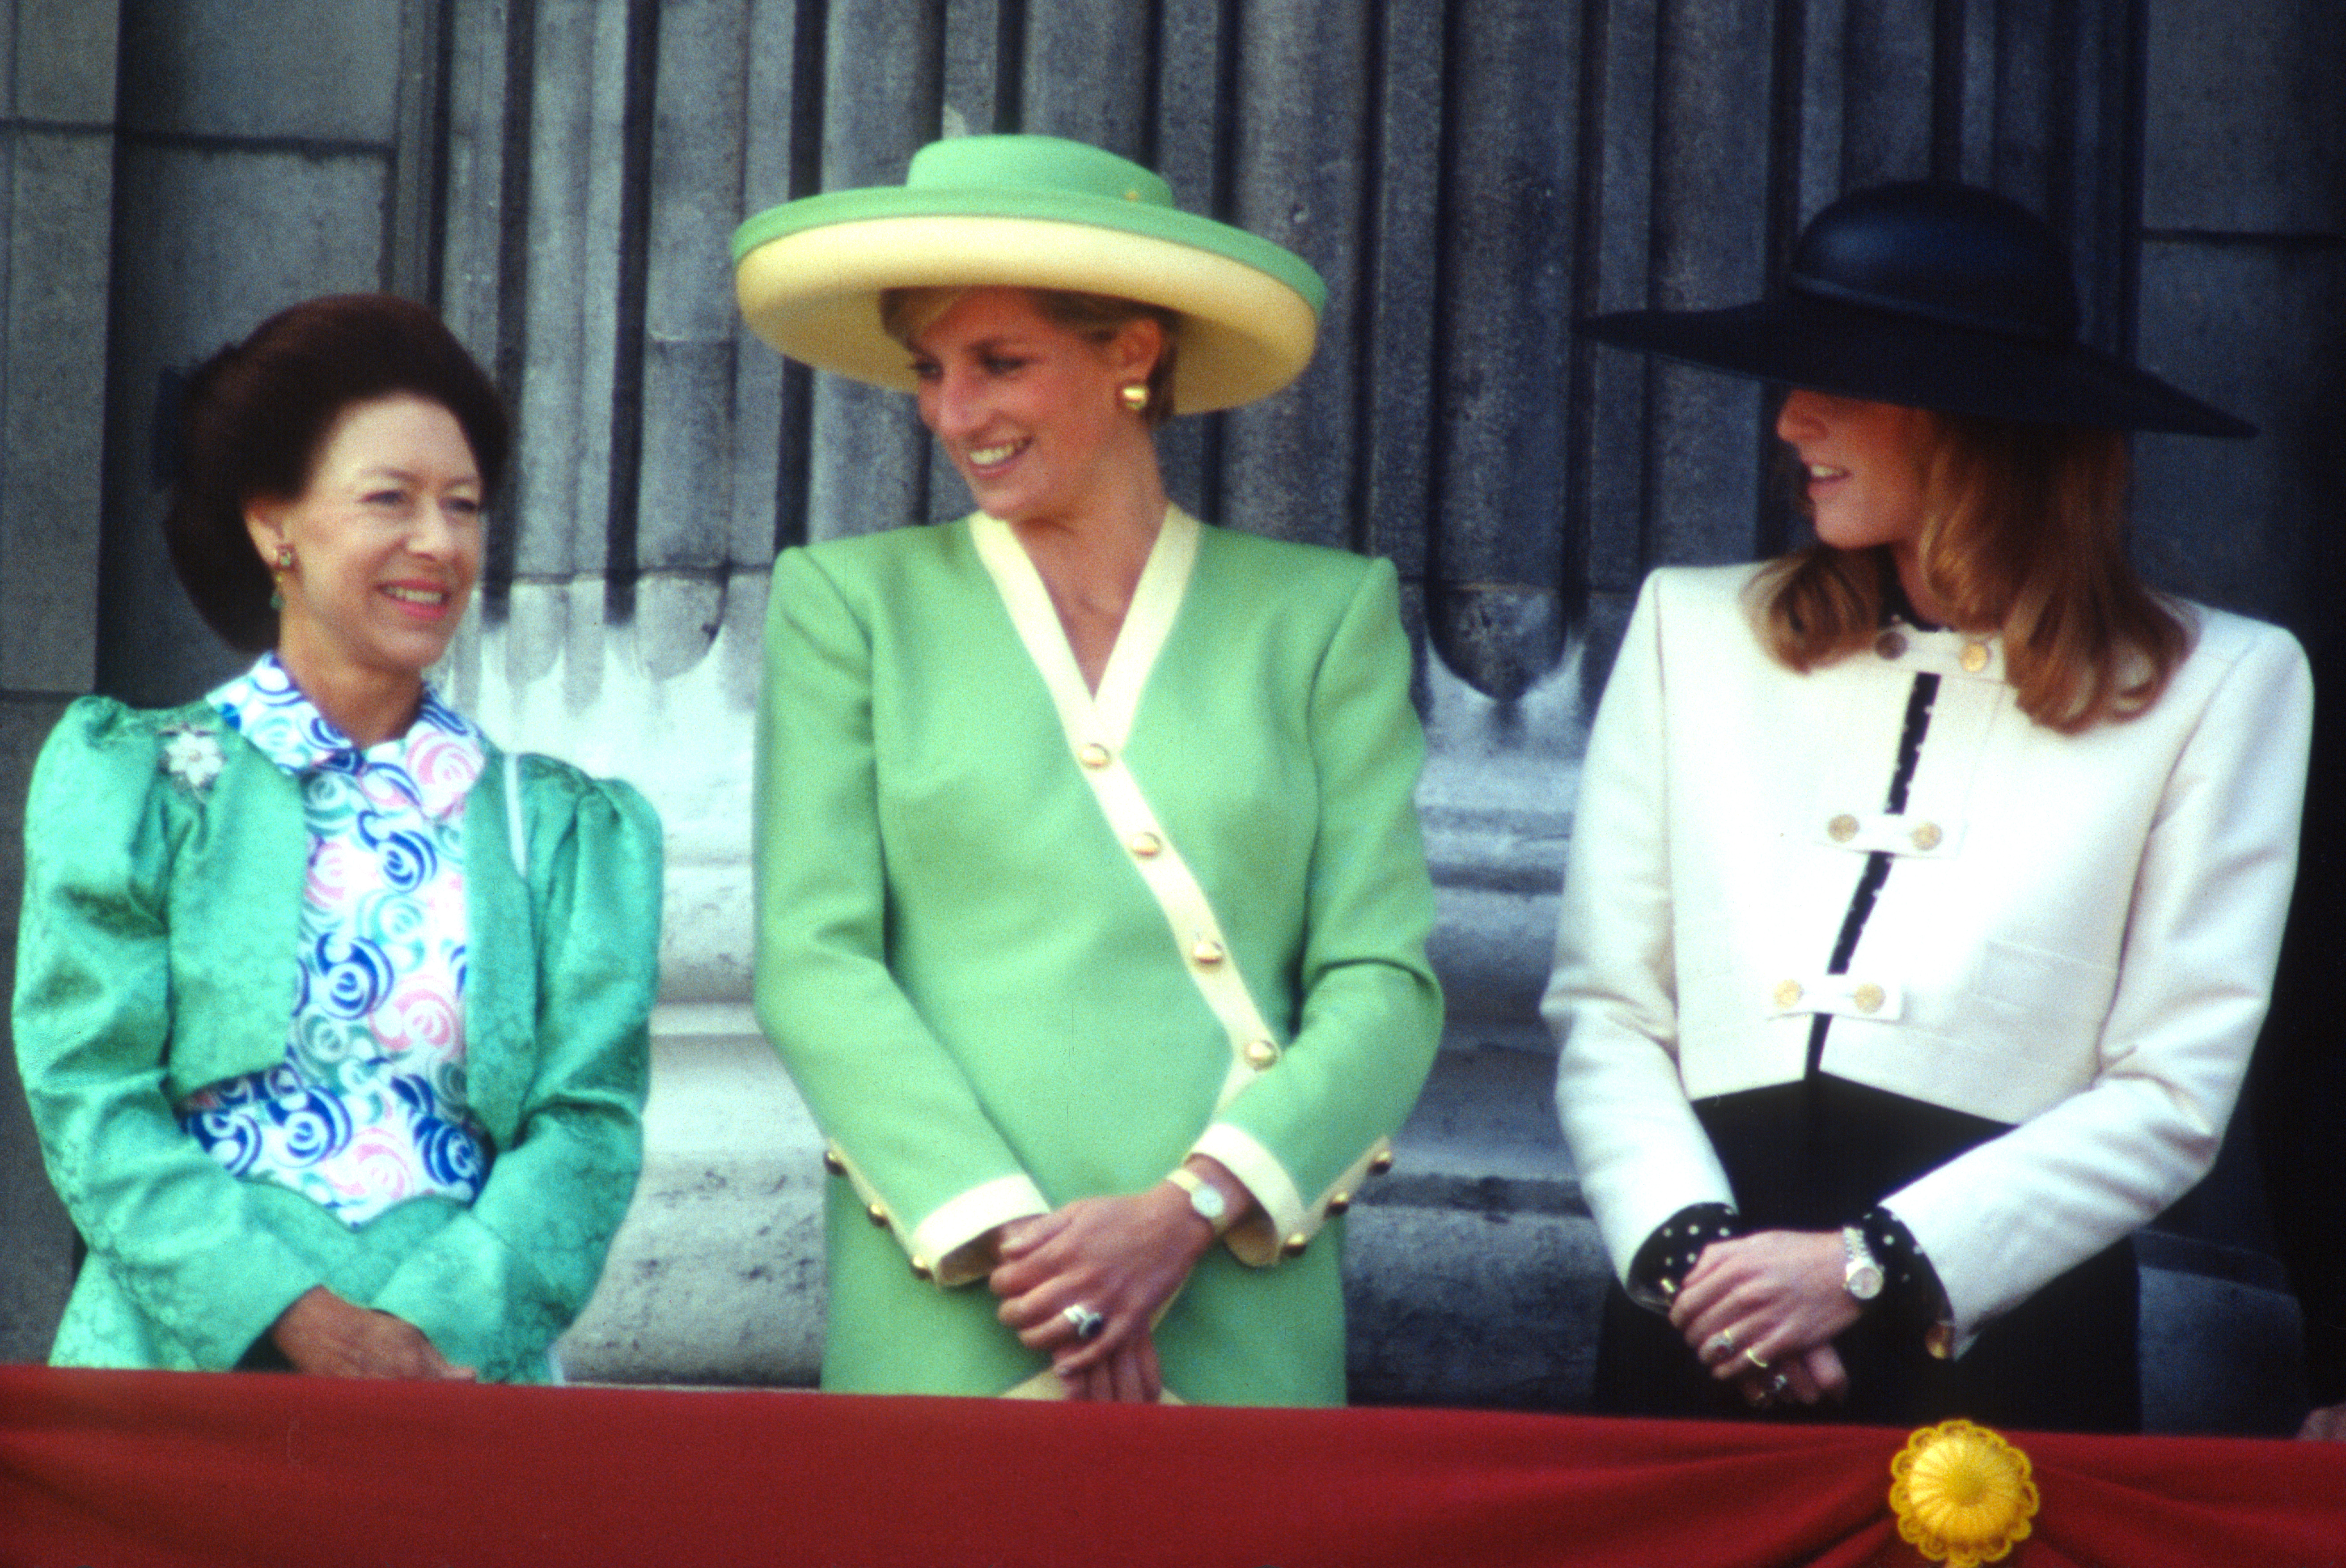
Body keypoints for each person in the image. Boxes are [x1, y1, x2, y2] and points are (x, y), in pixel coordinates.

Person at [1544, 183, 2310, 1431]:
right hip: (1697, 1320)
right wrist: (1695, 1261)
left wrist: (1866, 1264)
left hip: (1996, 1344)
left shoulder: (2221, 683)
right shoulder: (1690, 629)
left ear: (1976, 423)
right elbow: (1608, 1008)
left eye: (1838, 383)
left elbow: (2170, 1091)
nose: (1789, 420)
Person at [735, 134, 1442, 1404]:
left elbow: (1381, 979)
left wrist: (1183, 1212)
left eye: (1001, 363)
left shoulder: (1322, 616)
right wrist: (1027, 1250)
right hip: (954, 1307)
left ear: (1132, 352)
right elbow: (812, 960)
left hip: (1233, 1303)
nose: (955, 415)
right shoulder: (847, 604)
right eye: (932, 371)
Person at [13, 294, 661, 1382]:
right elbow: (90, 1093)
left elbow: (586, 1128)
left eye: (463, 504)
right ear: (277, 526)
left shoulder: (553, 830)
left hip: (458, 1389)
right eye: (389, 499)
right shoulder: (148, 783)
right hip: (183, 1373)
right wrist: (293, 1312)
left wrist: (430, 1326)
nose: (438, 542)